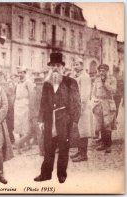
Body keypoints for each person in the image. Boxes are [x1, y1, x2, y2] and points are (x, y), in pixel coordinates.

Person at [34, 52, 81, 183]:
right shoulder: (47, 84)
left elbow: (76, 102)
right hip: (49, 119)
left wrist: (74, 120)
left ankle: (62, 174)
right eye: (52, 65)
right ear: (50, 67)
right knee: (48, 147)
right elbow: (43, 103)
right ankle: (46, 174)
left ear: (62, 67)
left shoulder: (70, 82)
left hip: (64, 119)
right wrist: (40, 120)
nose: (55, 68)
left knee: (63, 148)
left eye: (58, 65)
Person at [70, 57, 92, 162]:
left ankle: (84, 155)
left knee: (83, 131)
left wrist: (80, 107)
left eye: (77, 64)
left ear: (82, 66)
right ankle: (80, 151)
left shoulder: (85, 77)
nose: (75, 67)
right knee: (78, 130)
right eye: (74, 65)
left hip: (83, 107)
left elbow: (84, 94)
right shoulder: (76, 76)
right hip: (76, 106)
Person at [92, 64, 117, 153]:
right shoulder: (97, 79)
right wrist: (94, 101)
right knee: (100, 124)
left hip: (108, 103)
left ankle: (108, 145)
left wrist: (105, 83)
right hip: (99, 103)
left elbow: (113, 91)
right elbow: (94, 92)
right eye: (100, 71)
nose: (102, 72)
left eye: (103, 71)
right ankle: (103, 143)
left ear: (107, 71)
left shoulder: (112, 79)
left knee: (107, 124)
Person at [13, 66, 36, 153]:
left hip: (25, 105)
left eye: (21, 73)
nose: (19, 74)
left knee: (25, 125)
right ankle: (22, 144)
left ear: (25, 73)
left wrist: (31, 107)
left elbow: (32, 95)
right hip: (18, 105)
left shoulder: (28, 82)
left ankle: (27, 144)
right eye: (18, 73)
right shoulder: (18, 82)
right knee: (18, 125)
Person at [0, 67, 15, 144]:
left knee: (8, 125)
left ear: (0, 75)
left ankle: (11, 140)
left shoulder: (5, 84)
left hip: (7, 107)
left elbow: (9, 96)